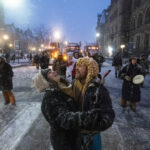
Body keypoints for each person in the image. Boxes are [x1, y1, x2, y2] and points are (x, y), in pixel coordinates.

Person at [33, 69, 114, 150]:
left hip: (74, 137)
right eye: (49, 73)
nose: (53, 71)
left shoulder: (64, 89)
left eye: (52, 70)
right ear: (45, 81)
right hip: (64, 142)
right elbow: (65, 118)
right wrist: (89, 117)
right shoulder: (50, 97)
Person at [53, 57, 115, 149]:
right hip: (75, 135)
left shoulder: (98, 90)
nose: (76, 68)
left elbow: (108, 115)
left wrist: (92, 125)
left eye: (80, 66)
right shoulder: (75, 84)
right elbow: (65, 92)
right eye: (76, 65)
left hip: (92, 137)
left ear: (90, 69)